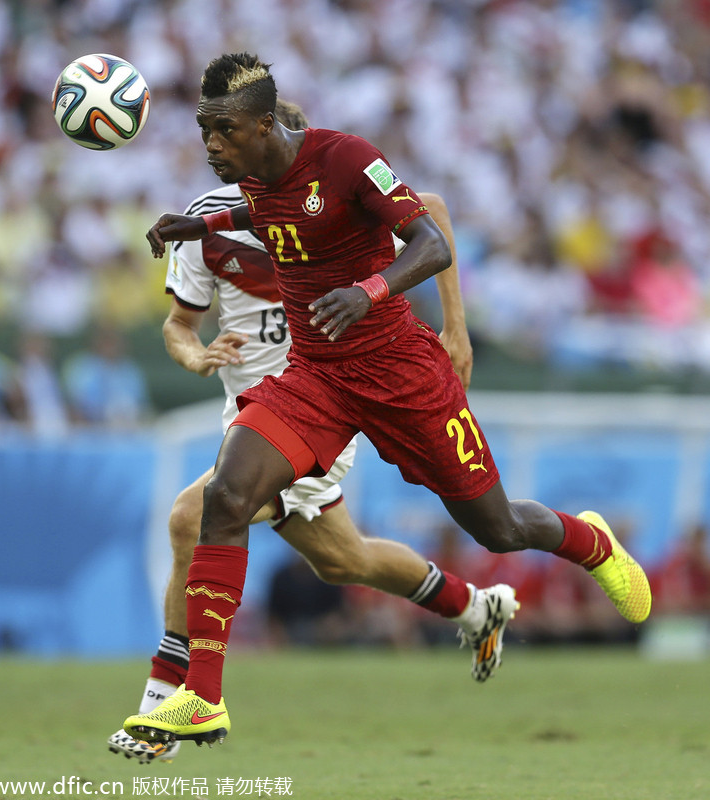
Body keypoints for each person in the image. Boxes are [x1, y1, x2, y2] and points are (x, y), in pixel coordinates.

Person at [124, 53, 651, 748]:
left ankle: (589, 541)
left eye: (220, 132)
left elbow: (428, 240)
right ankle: (202, 697)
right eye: (204, 133)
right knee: (222, 498)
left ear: (259, 125)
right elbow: (262, 214)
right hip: (317, 378)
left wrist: (372, 292)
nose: (210, 147)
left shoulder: (346, 159)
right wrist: (193, 228)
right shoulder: (256, 182)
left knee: (496, 529)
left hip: (401, 374)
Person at [109, 99, 516, 764]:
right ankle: (474, 607)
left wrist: (455, 329)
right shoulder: (211, 219)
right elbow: (178, 325)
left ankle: (162, 706)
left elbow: (431, 211)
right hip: (248, 415)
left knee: (194, 515)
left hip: (318, 407)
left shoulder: (330, 203)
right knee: (341, 559)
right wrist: (197, 354)